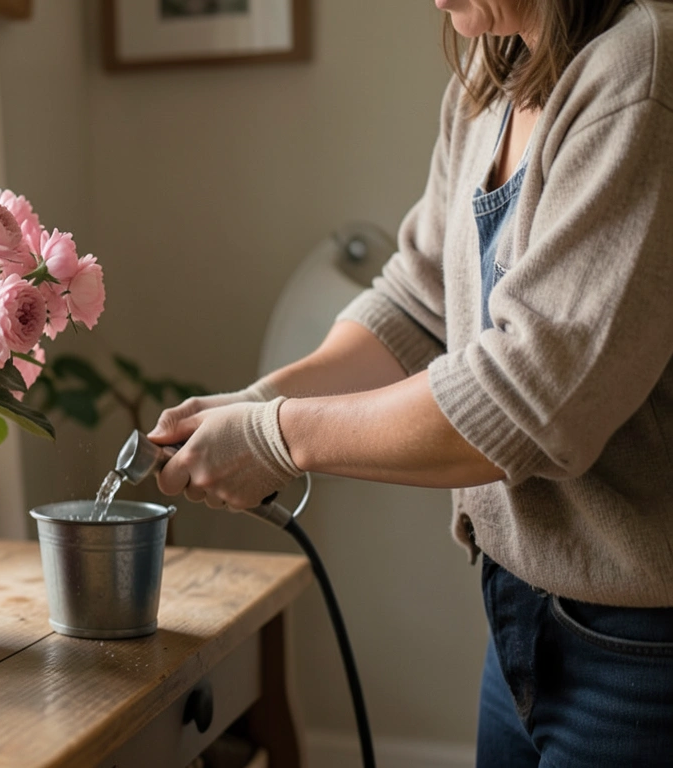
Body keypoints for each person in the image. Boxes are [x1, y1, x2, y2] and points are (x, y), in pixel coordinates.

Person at [147, 0, 673, 764]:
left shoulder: (642, 69)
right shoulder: (493, 78)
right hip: (519, 611)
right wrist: (262, 399)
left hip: (640, 649)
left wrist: (276, 436)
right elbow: (417, 302)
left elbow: (529, 402)